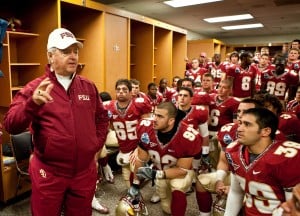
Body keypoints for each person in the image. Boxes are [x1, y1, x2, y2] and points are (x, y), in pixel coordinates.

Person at [3, 28, 109, 216]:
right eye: (66, 51)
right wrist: (31, 104)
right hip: (50, 173)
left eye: (75, 51)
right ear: (50, 56)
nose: (73, 56)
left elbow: (101, 119)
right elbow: (10, 125)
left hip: (84, 172)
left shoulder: (88, 86)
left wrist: (94, 147)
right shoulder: (35, 88)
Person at [128, 102, 202, 216]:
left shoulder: (187, 136)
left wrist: (155, 174)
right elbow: (141, 160)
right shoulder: (145, 128)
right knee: (167, 209)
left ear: (171, 121)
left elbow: (182, 170)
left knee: (178, 187)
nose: (155, 119)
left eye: (160, 116)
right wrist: (135, 184)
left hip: (179, 172)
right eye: (155, 114)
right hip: (159, 169)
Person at [224, 108, 300, 216]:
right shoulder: (233, 150)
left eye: (247, 124)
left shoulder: (287, 158)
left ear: (265, 131)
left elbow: (292, 208)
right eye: (240, 123)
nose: (239, 129)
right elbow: (236, 192)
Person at [197, 98, 262, 216]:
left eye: (246, 112)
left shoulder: (270, 136)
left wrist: (234, 189)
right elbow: (223, 161)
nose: (241, 115)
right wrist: (219, 180)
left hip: (260, 186)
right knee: (201, 181)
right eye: (239, 111)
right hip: (236, 176)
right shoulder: (229, 131)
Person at [104, 79, 152, 188]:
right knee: (127, 177)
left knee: (134, 172)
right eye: (118, 89)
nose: (121, 91)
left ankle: (136, 196)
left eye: (124, 89)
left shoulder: (139, 104)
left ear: (131, 93)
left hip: (139, 146)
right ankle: (133, 198)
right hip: (124, 147)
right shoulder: (109, 107)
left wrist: (140, 149)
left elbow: (148, 129)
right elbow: (108, 127)